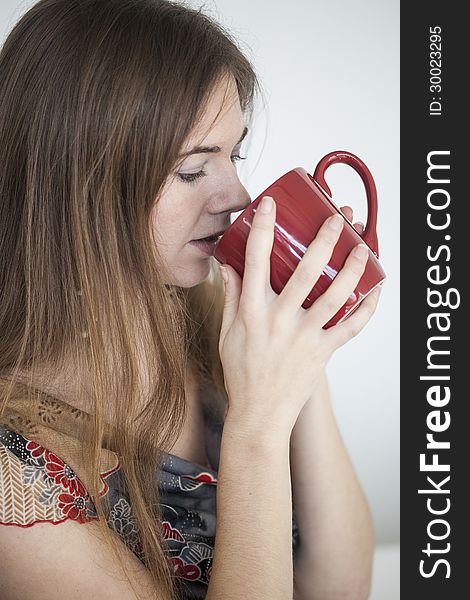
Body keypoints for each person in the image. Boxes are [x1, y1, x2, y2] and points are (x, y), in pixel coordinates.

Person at [0, 1, 382, 599]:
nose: (237, 193)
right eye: (191, 171)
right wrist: (257, 428)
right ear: (79, 181)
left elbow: (340, 587)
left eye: (234, 155)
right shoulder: (14, 476)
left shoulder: (205, 316)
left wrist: (301, 346)